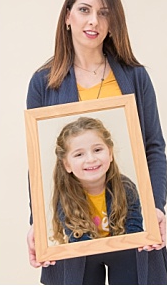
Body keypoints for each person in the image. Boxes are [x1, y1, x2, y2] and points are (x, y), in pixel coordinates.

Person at [26, 0, 167, 284]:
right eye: (84, 10)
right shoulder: (43, 82)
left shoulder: (135, 77)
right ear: (67, 17)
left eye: (104, 13)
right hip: (72, 225)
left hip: (131, 219)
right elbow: (37, 163)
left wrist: (156, 207)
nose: (94, 21)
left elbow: (153, 148)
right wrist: (37, 222)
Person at [51, 117, 144, 283]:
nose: (91, 159)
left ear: (110, 153)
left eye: (97, 150)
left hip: (122, 249)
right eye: (79, 154)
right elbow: (77, 238)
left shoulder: (126, 187)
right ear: (67, 165)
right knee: (80, 268)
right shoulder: (66, 196)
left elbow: (134, 229)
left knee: (133, 264)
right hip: (86, 251)